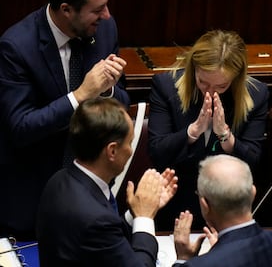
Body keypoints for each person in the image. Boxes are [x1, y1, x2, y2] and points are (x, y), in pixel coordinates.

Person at [0, 0, 130, 239]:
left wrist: (106, 90)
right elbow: (21, 128)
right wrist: (80, 95)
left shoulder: (105, 30)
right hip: (35, 202)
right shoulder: (17, 47)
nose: (106, 15)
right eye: (97, 9)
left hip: (94, 200)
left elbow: (122, 100)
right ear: (66, 10)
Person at [148, 30, 269, 230]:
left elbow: (253, 162)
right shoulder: (166, 87)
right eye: (203, 82)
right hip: (176, 202)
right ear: (194, 68)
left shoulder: (256, 94)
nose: (210, 92)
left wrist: (226, 136)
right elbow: (157, 152)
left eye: (221, 86)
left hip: (229, 208)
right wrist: (192, 132)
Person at [36, 97, 178, 266]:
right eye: (130, 143)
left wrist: (135, 212)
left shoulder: (59, 180)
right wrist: (144, 217)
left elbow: (107, 242)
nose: (131, 151)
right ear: (112, 151)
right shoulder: (95, 219)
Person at [171, 154, 272, 266]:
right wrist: (220, 248)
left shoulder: (199, 265)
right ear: (253, 193)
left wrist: (184, 259)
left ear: (205, 205)